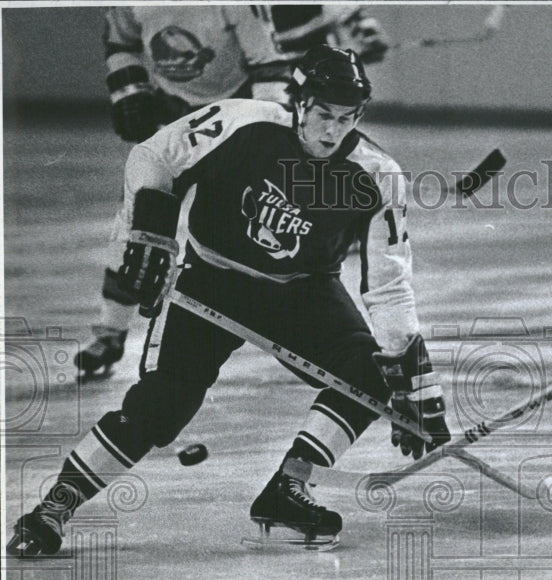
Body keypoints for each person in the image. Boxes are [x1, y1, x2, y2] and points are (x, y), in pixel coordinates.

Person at [8, 46, 448, 556]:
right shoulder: (244, 122)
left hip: (301, 293)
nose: (332, 131)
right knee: (161, 404)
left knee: (368, 372)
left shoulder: (375, 176)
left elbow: (389, 287)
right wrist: (148, 232)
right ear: (299, 102)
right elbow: (153, 156)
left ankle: (288, 488)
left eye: (346, 119)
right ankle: (54, 509)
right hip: (209, 279)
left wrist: (413, 378)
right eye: (323, 114)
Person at [77, 5, 389, 378]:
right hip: (175, 111)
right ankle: (111, 329)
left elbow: (268, 64)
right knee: (140, 215)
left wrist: (265, 148)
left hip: (236, 119)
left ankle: (311, 335)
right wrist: (128, 88)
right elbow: (121, 40)